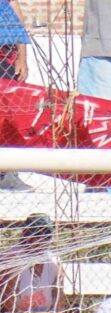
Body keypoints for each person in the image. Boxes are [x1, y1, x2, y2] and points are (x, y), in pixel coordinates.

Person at [0, 0, 32, 190]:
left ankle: (8, 173)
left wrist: (22, 57)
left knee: (8, 115)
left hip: (5, 57)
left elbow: (16, 15)